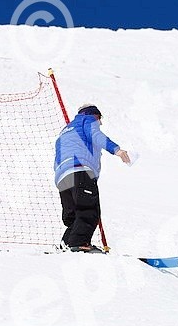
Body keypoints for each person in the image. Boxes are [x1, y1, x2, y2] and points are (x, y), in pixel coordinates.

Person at [53, 104, 131, 251]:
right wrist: (117, 150)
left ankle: (66, 244)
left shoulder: (66, 130)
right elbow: (96, 135)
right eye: (100, 118)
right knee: (88, 210)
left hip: (62, 177)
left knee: (74, 216)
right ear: (93, 115)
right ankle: (79, 244)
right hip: (80, 170)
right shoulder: (87, 120)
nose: (100, 123)